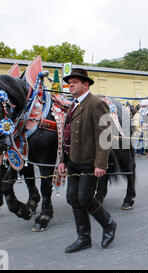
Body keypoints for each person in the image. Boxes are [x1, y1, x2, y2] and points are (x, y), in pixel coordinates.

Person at [57, 68, 116, 253]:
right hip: (73, 160)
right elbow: (66, 135)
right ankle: (84, 238)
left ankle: (108, 224)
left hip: (89, 161)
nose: (71, 84)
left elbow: (105, 136)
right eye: (69, 82)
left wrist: (101, 164)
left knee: (85, 197)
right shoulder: (73, 105)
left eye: (75, 81)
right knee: (73, 198)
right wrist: (62, 160)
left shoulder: (96, 104)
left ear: (86, 84)